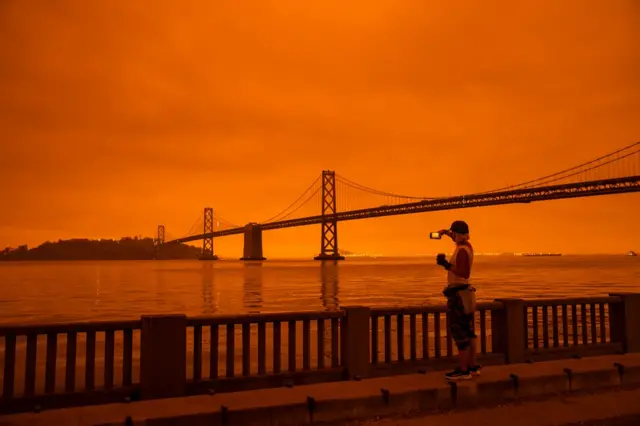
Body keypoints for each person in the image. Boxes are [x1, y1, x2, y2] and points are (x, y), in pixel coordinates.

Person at [435, 220, 480, 380]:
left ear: (457, 234)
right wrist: (445, 232)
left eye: (453, 233)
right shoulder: (467, 246)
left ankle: (463, 370)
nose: (451, 236)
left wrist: (445, 264)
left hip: (458, 296)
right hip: (466, 294)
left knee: (459, 332)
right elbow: (457, 236)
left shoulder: (461, 251)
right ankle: (473, 367)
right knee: (469, 332)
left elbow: (463, 273)